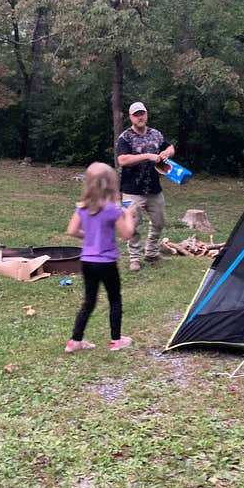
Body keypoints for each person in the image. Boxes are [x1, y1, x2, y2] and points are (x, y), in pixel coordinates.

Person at [64, 162, 136, 353]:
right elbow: (127, 234)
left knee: (89, 301)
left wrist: (88, 236)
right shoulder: (112, 210)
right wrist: (129, 215)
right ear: (111, 184)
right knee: (114, 299)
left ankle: (75, 341)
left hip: (87, 262)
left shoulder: (82, 207)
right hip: (106, 263)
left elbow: (71, 231)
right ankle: (116, 340)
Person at [115, 101, 175, 272]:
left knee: (159, 221)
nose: (140, 117)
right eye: (136, 114)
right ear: (131, 117)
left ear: (146, 115)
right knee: (133, 225)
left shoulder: (156, 134)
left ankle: (151, 253)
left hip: (154, 189)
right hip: (132, 190)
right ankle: (134, 258)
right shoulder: (125, 137)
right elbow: (122, 160)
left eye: (142, 113)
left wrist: (166, 153)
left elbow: (170, 147)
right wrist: (147, 156)